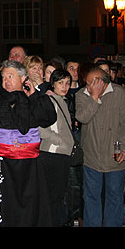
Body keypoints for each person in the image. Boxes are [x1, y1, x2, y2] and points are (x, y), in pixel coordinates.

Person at [0, 60, 57, 227]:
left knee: (31, 205)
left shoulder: (34, 97)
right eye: (4, 77)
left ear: (23, 78)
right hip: (1, 162)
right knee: (4, 206)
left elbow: (48, 118)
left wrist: (34, 96)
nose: (6, 81)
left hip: (29, 163)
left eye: (10, 76)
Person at [75, 65, 125, 227]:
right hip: (91, 158)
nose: (87, 87)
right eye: (86, 83)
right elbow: (82, 117)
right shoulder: (83, 95)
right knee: (91, 197)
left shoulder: (120, 94)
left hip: (115, 158)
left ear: (102, 82)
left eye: (91, 83)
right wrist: (94, 97)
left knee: (114, 197)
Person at [38, 68, 75, 227]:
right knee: (52, 197)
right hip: (53, 154)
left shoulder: (62, 100)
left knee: (56, 196)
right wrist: (59, 140)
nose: (64, 86)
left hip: (60, 154)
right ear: (52, 83)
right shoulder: (49, 100)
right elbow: (40, 128)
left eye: (67, 83)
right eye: (61, 83)